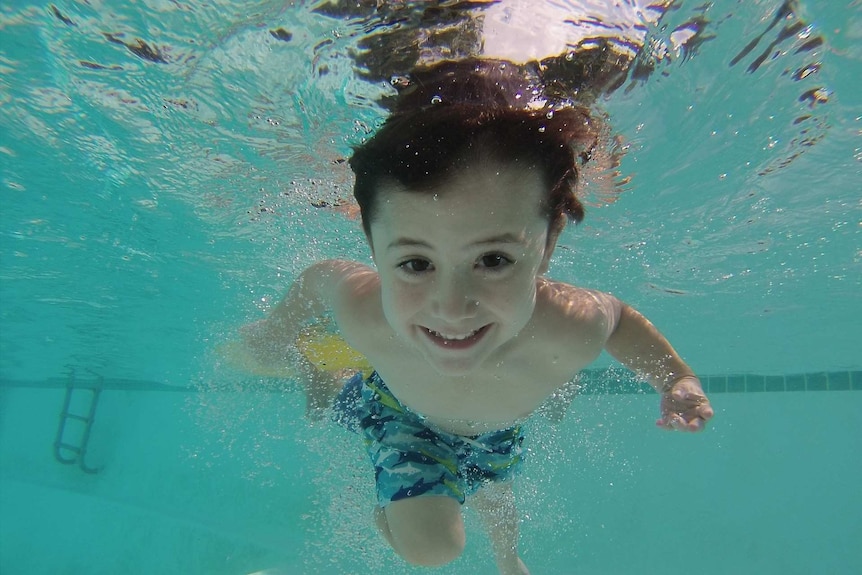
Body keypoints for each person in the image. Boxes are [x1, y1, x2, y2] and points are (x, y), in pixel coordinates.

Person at [239, 56, 713, 575]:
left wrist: (676, 378)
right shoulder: (364, 310)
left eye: (493, 260)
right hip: (400, 414)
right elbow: (320, 277)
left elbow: (619, 321)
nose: (451, 308)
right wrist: (279, 329)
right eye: (416, 264)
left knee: (493, 489)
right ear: (374, 250)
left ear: (547, 245)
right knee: (433, 549)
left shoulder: (570, 322)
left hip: (495, 427)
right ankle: (331, 379)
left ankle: (509, 559)